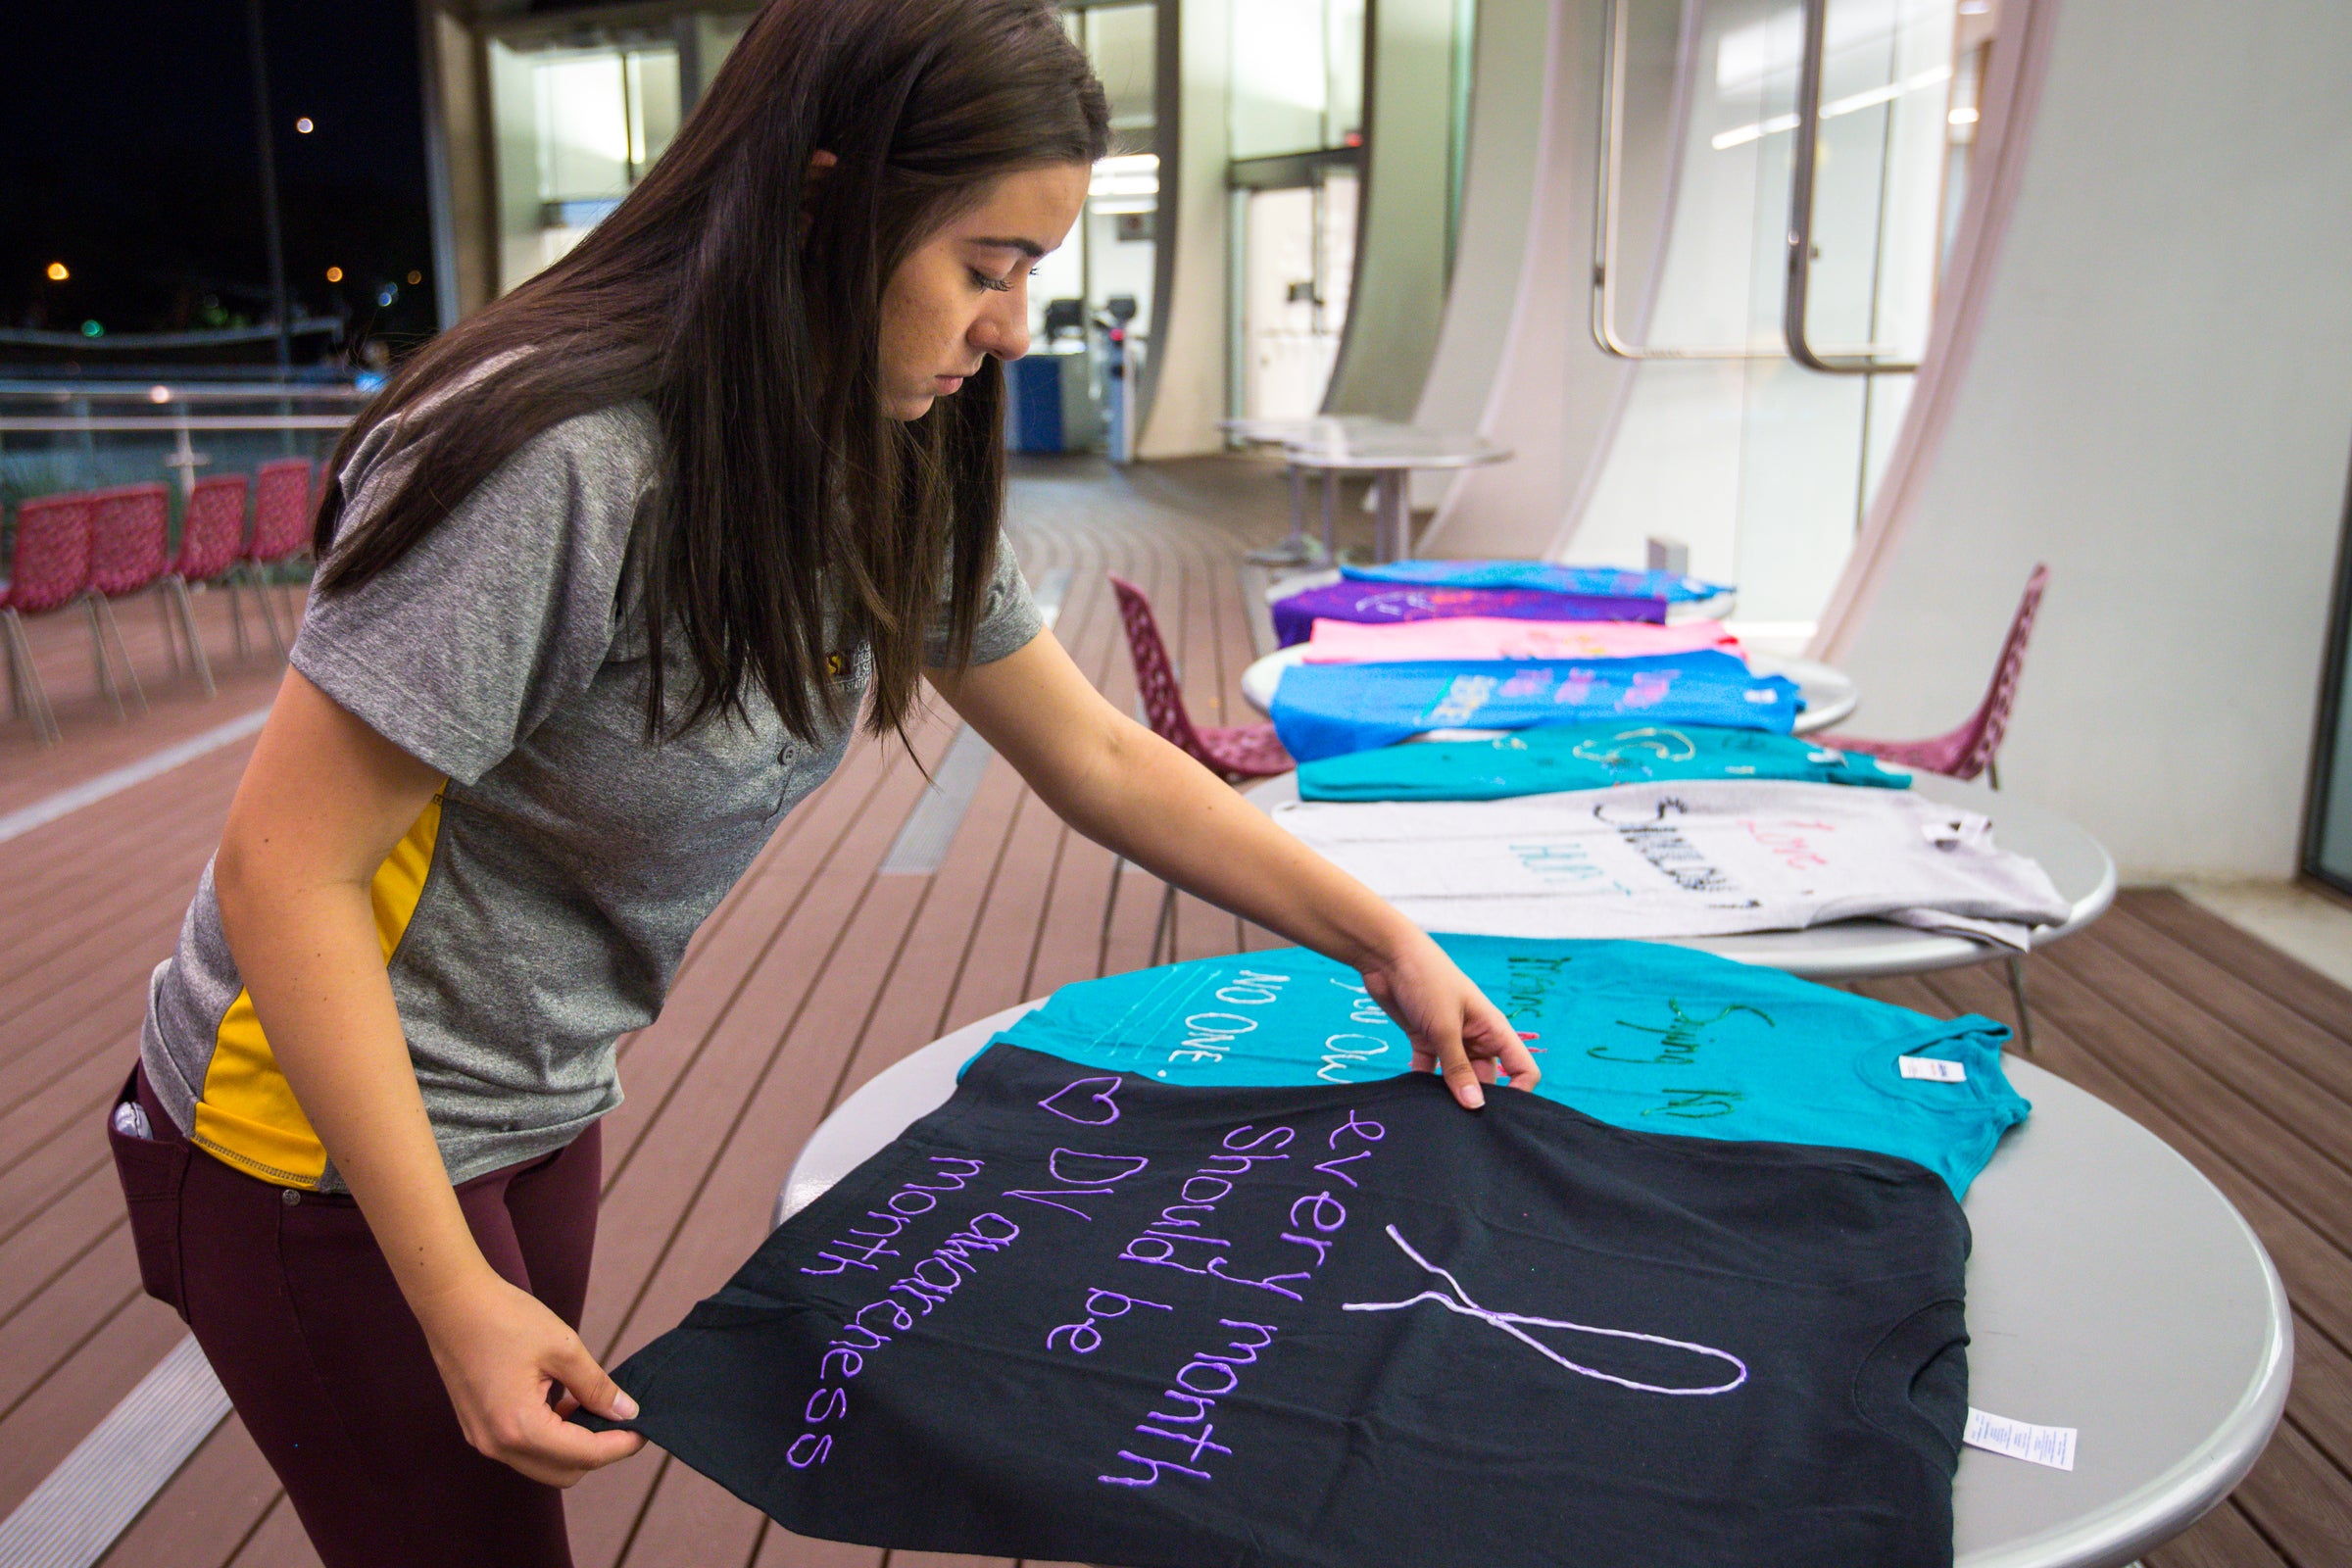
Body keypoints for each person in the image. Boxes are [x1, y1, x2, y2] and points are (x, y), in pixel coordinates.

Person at [115, 0, 1539, 1562]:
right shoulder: (561, 457)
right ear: (819, 199)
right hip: (306, 1136)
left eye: (1030, 278)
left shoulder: (872, 442)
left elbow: (1099, 754)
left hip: (537, 1094)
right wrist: (454, 1292)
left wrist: (1384, 942)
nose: (1009, 328)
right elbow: (287, 874)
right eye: (984, 267)